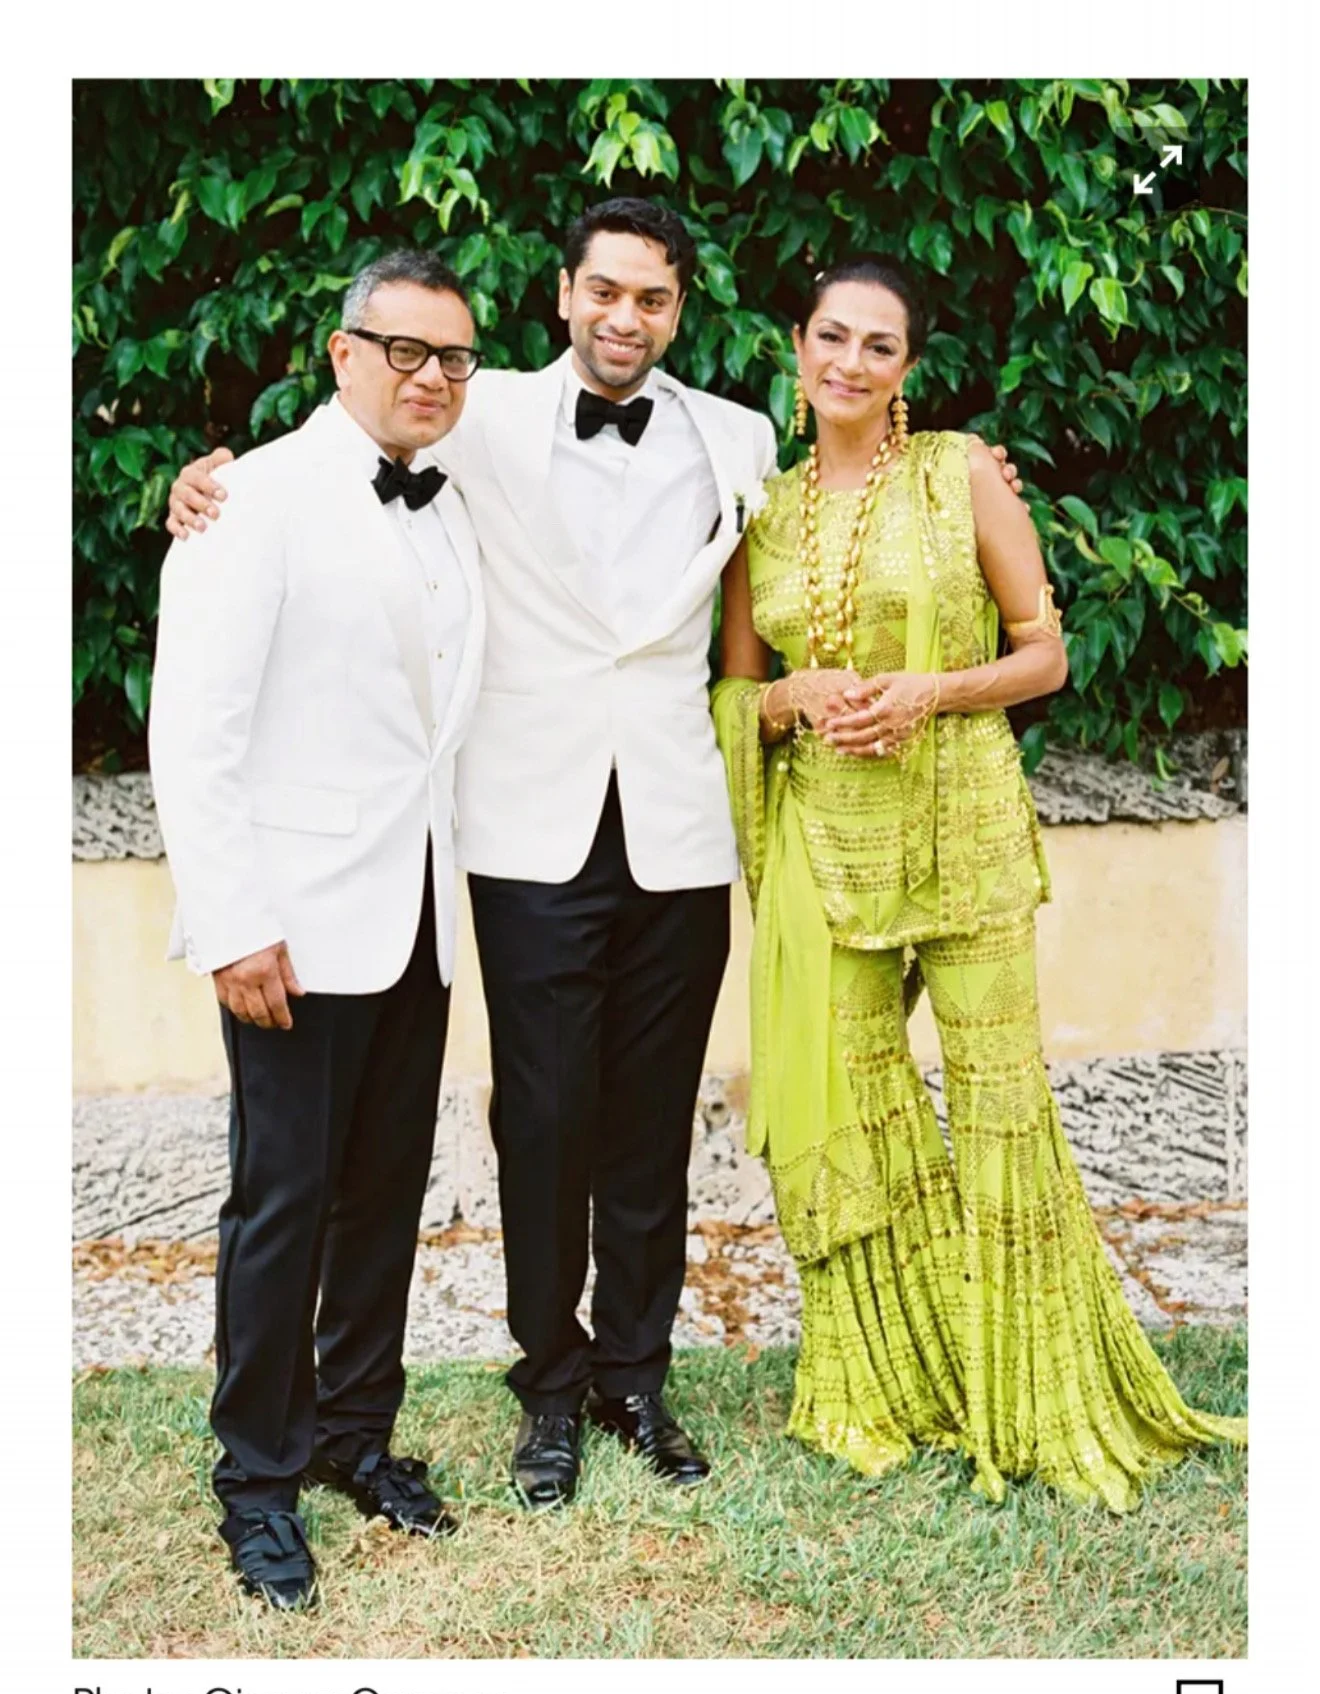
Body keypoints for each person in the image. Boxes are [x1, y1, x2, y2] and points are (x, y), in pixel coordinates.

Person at [166, 201, 1023, 1511]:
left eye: (655, 299)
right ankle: (548, 1386)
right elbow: (342, 462)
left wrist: (973, 477)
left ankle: (635, 1373)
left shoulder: (737, 438)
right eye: (605, 293)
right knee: (544, 1120)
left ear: (681, 309)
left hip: (680, 831)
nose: (627, 318)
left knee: (648, 1129)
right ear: (564, 295)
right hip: (525, 831)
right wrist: (208, 480)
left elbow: (859, 474)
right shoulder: (477, 406)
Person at [713, 254, 1247, 1511]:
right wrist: (789, 697)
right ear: (796, 345)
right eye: (830, 336)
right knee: (852, 1117)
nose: (848, 363)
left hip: (964, 834)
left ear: (911, 367)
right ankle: (886, 1382)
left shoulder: (960, 473)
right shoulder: (763, 510)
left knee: (1003, 1111)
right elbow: (737, 689)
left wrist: (929, 692)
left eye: (878, 345)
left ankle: (1036, 1392)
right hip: (827, 857)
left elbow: (1045, 653)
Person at [150, 251, 486, 1606]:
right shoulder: (253, 497)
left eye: (455, 358)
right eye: (403, 350)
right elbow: (196, 729)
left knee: (385, 1200)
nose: (431, 376)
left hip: (416, 918)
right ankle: (256, 1481)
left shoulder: (459, 498)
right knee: (281, 1209)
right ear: (341, 352)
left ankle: (357, 1437)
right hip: (287, 928)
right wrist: (232, 924)